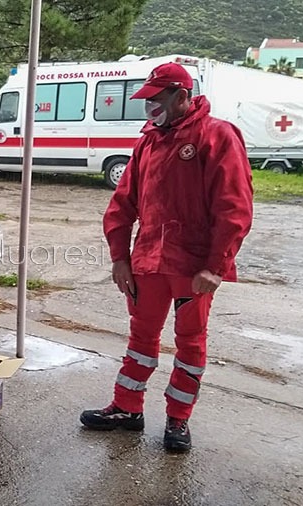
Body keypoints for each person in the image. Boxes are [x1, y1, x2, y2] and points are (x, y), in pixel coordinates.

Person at [79, 62, 254, 453]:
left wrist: (215, 266)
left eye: (156, 99)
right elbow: (122, 204)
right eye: (147, 99)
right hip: (148, 262)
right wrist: (120, 258)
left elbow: (234, 208)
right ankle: (127, 408)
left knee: (190, 343)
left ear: (182, 97)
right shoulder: (149, 143)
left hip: (193, 267)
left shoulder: (217, 136)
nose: (150, 107)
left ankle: (178, 418)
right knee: (141, 337)